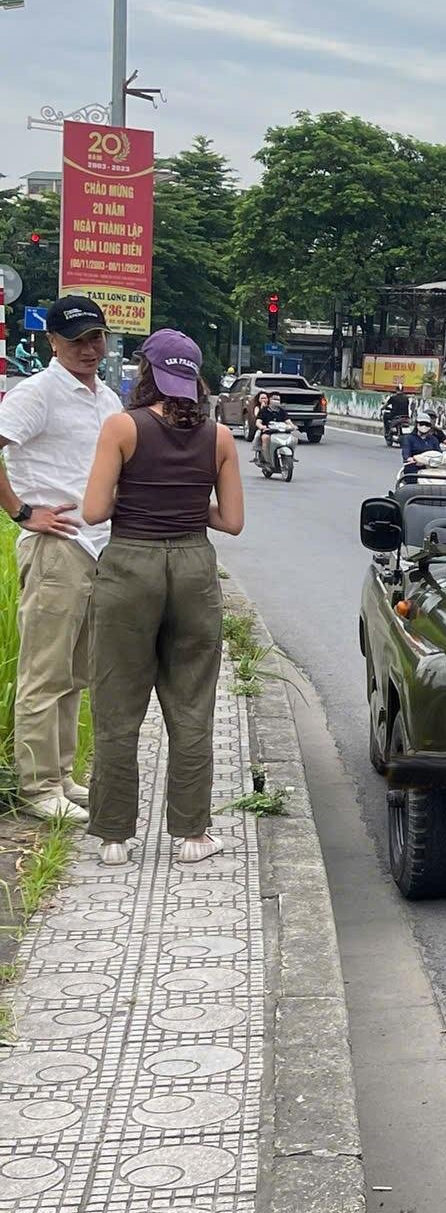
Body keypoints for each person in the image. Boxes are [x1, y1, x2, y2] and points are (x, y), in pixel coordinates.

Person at [81, 330, 244, 866]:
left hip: (130, 564)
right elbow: (232, 522)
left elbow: (93, 511)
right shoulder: (220, 437)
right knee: (192, 704)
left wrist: (136, 495)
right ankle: (192, 835)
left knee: (117, 703)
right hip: (194, 567)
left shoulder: (122, 426)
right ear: (195, 379)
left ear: (145, 372)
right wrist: (188, 504)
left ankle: (113, 838)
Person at [0, 297, 124, 822]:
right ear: (51, 342)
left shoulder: (107, 398)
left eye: (96, 337)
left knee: (76, 671)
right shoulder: (37, 393)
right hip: (57, 547)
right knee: (44, 670)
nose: (88, 349)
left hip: (98, 545)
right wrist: (22, 511)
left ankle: (62, 774)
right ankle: (36, 785)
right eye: (76, 340)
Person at [253, 394, 291, 468]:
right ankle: (267, 459)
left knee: (293, 438)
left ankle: (289, 456)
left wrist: (293, 426)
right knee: (265, 438)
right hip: (268, 431)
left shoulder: (282, 411)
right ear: (270, 400)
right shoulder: (264, 410)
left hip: (281, 431)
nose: (276, 401)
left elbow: (288, 421)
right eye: (274, 399)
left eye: (278, 400)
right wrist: (262, 427)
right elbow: (258, 422)